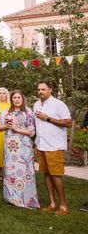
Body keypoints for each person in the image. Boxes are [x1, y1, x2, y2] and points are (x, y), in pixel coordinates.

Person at [33, 81, 72, 216]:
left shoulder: (59, 104)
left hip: (54, 145)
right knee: (47, 174)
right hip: (41, 144)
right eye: (39, 89)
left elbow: (68, 122)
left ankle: (63, 206)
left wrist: (47, 118)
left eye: (43, 89)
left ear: (50, 90)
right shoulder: (36, 104)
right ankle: (52, 203)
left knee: (56, 175)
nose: (40, 92)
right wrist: (35, 142)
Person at [0, 90, 39, 209]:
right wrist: (7, 125)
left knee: (25, 171)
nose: (16, 99)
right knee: (11, 171)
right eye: (14, 98)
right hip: (10, 147)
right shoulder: (6, 112)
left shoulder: (28, 112)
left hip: (24, 146)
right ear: (11, 99)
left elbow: (31, 132)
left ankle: (27, 198)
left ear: (22, 99)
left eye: (18, 97)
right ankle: (12, 197)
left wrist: (16, 128)